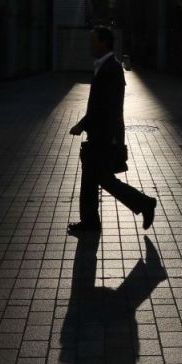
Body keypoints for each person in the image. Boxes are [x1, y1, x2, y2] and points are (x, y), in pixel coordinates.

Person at [67, 26, 157, 234]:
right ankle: (90, 222)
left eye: (93, 41)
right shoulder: (104, 66)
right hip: (101, 134)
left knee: (102, 179)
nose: (90, 45)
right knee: (91, 179)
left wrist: (82, 125)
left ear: (104, 43)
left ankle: (144, 203)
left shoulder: (112, 69)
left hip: (105, 136)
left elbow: (105, 106)